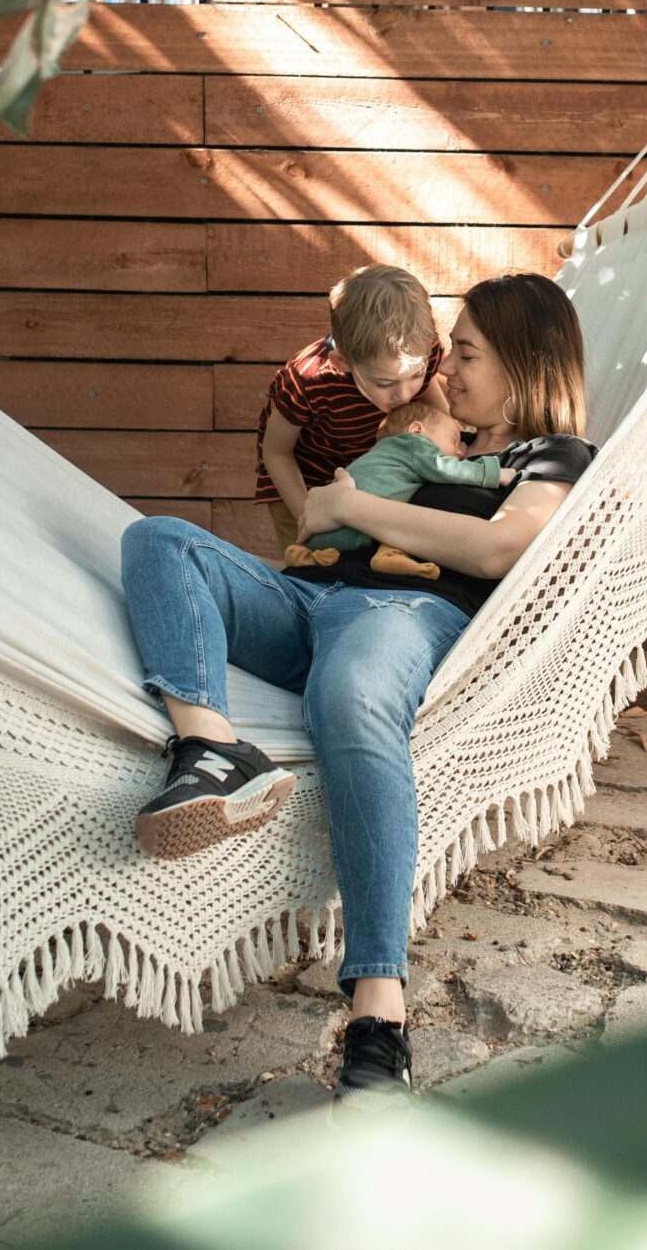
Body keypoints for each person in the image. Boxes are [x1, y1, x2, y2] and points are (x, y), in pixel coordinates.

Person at [120, 273, 594, 1100]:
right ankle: (209, 747)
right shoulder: (428, 429)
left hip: (403, 610)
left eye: (469, 353)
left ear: (524, 366)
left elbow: (494, 550)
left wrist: (354, 505)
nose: (448, 370)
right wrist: (338, 503)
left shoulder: (548, 455)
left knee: (351, 698)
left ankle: (378, 1012)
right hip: (310, 595)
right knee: (161, 541)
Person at [253, 265, 444, 558]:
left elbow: (433, 404)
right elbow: (276, 453)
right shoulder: (307, 380)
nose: (405, 395)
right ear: (342, 363)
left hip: (368, 476)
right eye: (384, 383)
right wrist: (309, 516)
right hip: (304, 483)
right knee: (312, 565)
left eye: (415, 376)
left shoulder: (422, 350)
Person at [280, 402, 512, 578]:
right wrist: (494, 472)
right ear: (416, 429)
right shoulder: (415, 445)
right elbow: (445, 468)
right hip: (352, 526)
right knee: (402, 519)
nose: (460, 450)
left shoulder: (382, 452)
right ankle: (388, 555)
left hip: (324, 534)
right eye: (454, 439)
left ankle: (303, 555)